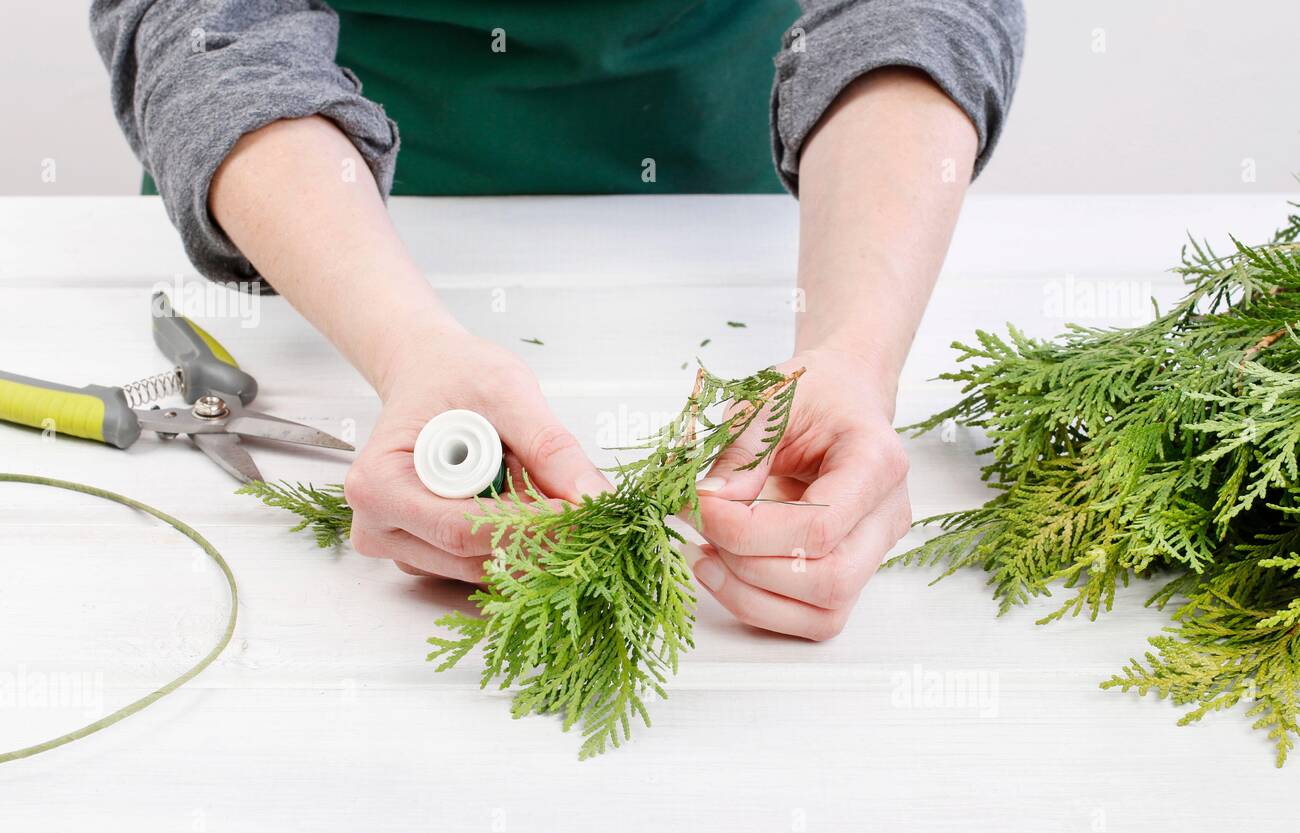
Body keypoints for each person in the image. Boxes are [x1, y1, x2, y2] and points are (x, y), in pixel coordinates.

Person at [91, 0, 1025, 640]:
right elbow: (206, 25)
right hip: (302, 195)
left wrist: (852, 352)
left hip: (734, 163)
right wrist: (407, 343)